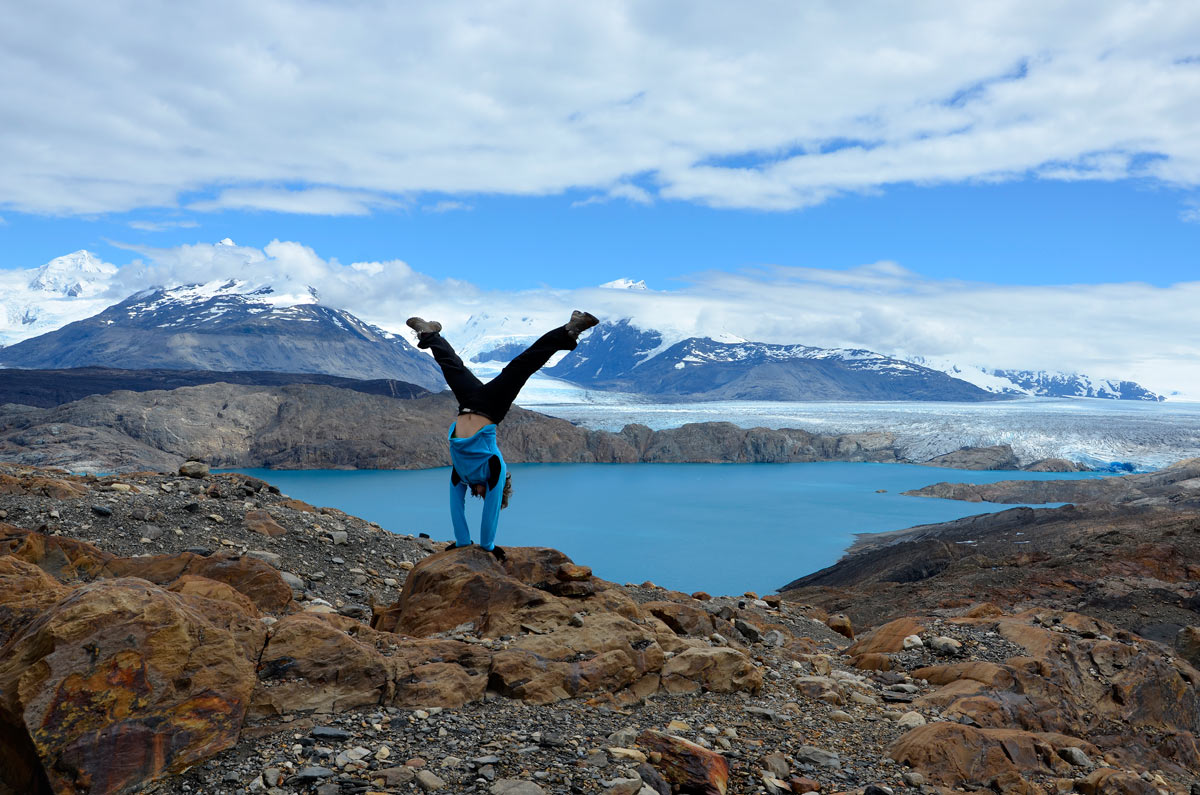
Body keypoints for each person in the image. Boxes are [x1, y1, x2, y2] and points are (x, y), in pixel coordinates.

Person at [406, 311, 599, 559]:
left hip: (470, 403)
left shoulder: (462, 474)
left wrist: (464, 542)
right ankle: (569, 330)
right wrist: (487, 546)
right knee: (519, 366)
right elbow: (490, 512)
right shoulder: (493, 469)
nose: (485, 497)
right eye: (492, 496)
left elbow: (457, 509)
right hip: (486, 407)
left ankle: (429, 333)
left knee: (455, 365)